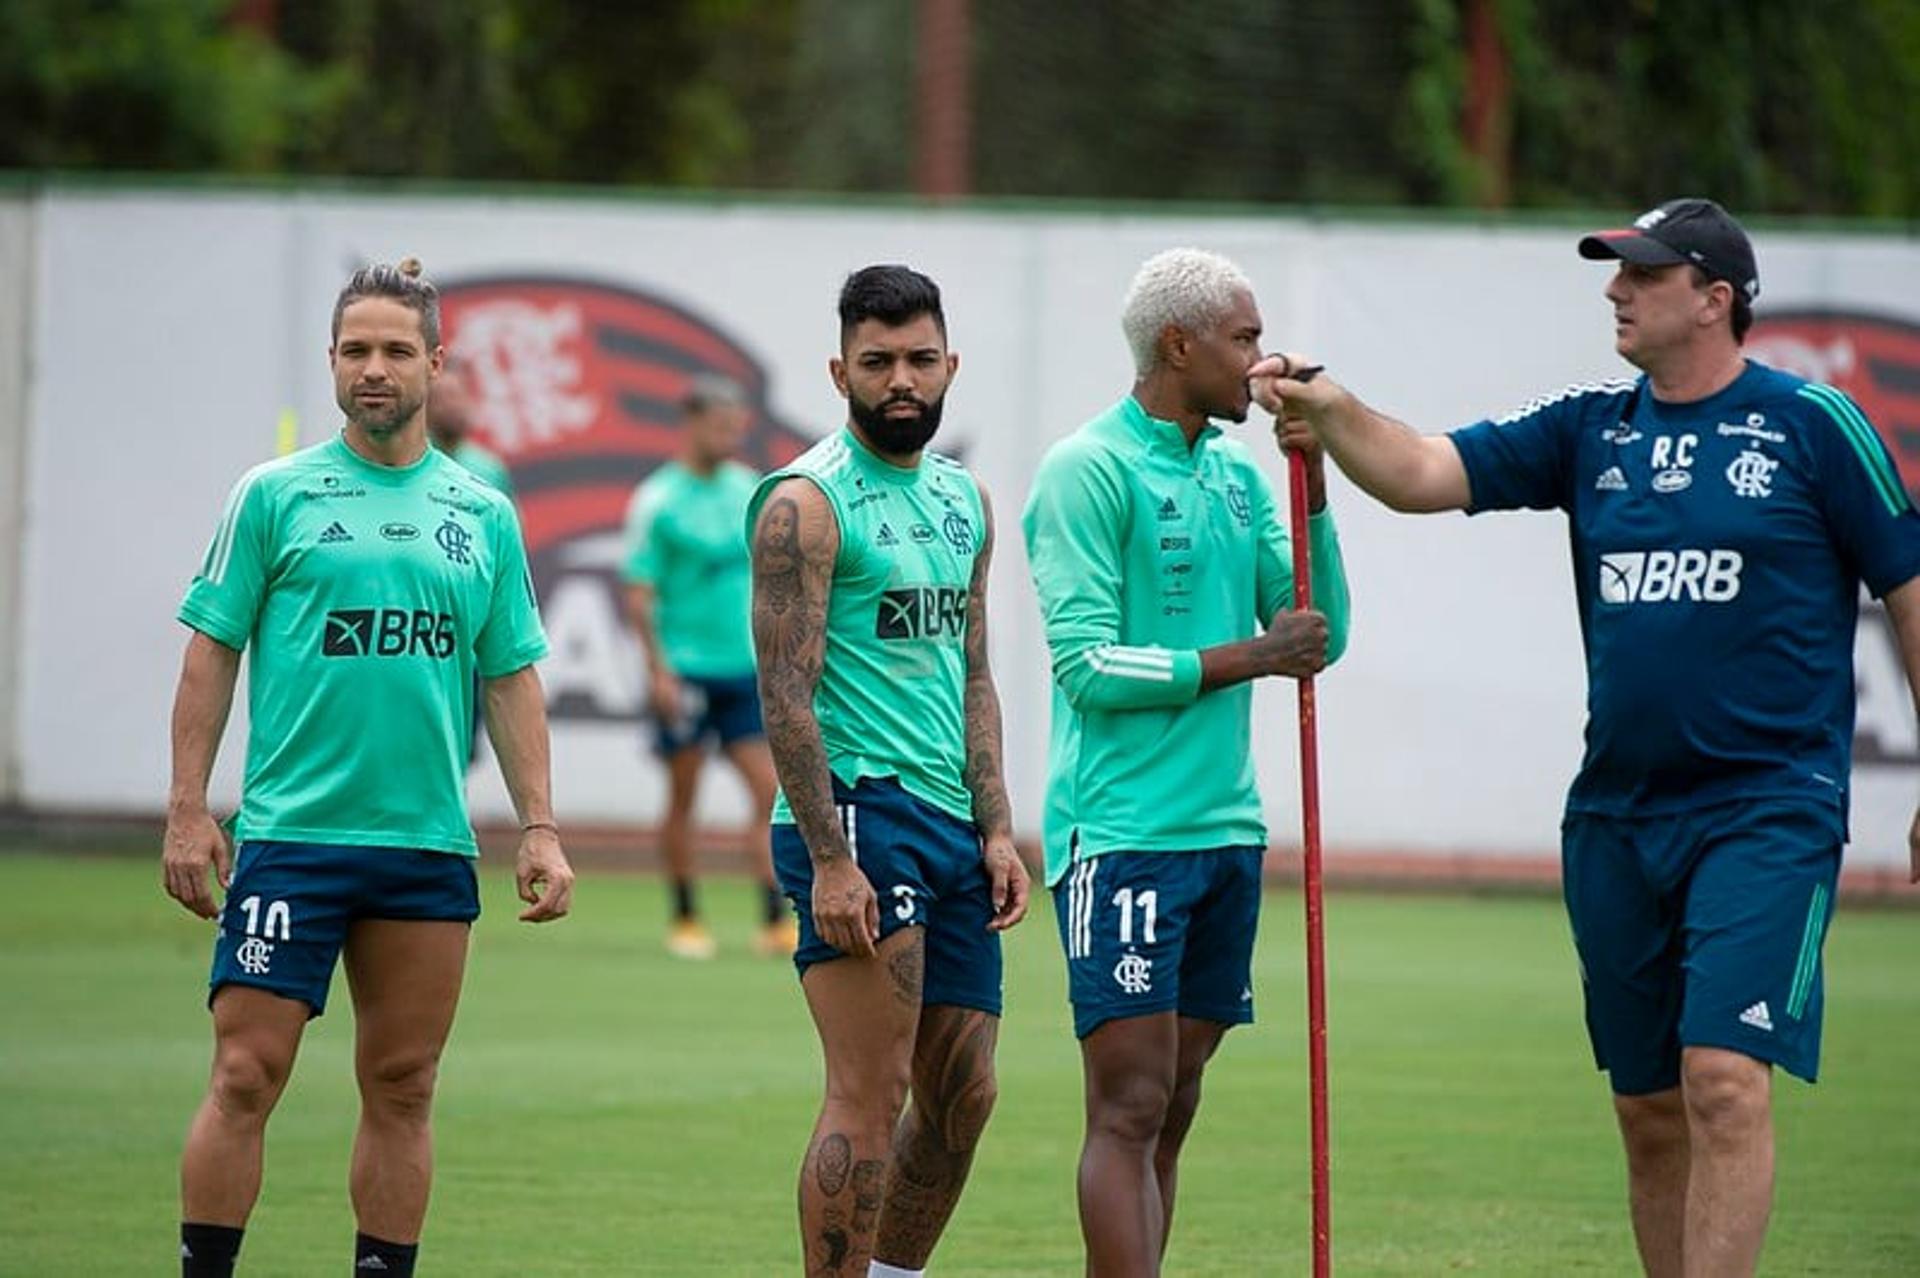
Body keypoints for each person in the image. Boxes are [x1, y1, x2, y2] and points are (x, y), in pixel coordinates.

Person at [1258, 197, 1920, 1278]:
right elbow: (1423, 472)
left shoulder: (1812, 426)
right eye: (1616, 272)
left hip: (1768, 806)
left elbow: (1908, 588)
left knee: (1721, 1076)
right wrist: (1329, 405)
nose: (1615, 290)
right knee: (1650, 1108)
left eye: (1643, 275)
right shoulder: (1590, 429)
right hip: (1617, 815)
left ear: (1715, 299)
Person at [161, 258, 576, 1278]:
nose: (375, 368)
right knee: (246, 1075)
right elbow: (211, 649)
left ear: (436, 364)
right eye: (357, 350)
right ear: (332, 363)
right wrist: (186, 810)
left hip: (423, 846)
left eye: (397, 350)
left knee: (404, 1084)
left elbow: (512, 675)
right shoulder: (273, 496)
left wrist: (538, 825)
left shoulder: (479, 512)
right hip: (292, 843)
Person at [1020, 246, 1352, 1277]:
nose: (1263, 362)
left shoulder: (1240, 474)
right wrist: (1253, 656)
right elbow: (1086, 666)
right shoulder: (1087, 468)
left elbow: (1319, 631)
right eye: (1245, 339)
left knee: (1176, 1102)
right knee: (1128, 1105)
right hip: (1122, 834)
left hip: (1225, 832)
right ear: (1180, 344)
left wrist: (1317, 473)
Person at [747, 264, 1030, 1277]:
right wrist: (827, 856)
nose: (900, 380)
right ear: (839, 371)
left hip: (953, 825)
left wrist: (998, 827)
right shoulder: (805, 504)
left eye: (918, 359)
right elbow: (784, 692)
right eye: (877, 363)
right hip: (860, 816)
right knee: (870, 1094)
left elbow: (975, 672)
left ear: (950, 362)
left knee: (966, 1097)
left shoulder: (966, 501)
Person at [620, 374, 790, 958]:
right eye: (720, 427)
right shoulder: (658, 500)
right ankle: (686, 914)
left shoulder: (749, 489)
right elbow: (639, 592)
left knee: (770, 792)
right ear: (691, 422)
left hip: (743, 670)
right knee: (684, 796)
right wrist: (658, 671)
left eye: (736, 427)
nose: (730, 437)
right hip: (686, 671)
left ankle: (773, 917)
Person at [426, 354, 514, 497]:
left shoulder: (489, 468)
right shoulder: (413, 466)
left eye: (456, 396)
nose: (451, 406)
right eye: (441, 399)